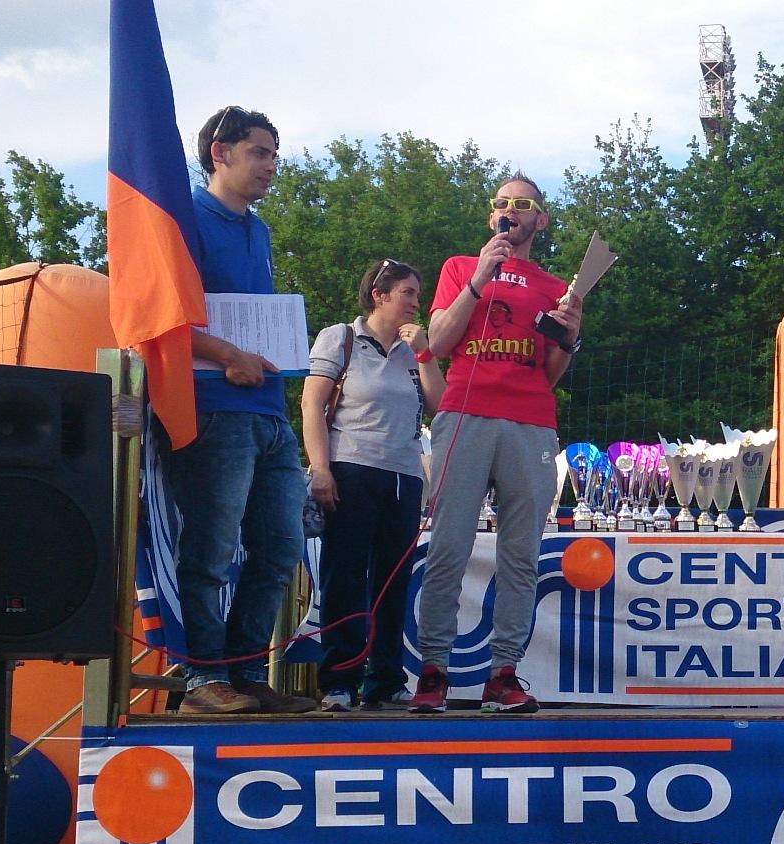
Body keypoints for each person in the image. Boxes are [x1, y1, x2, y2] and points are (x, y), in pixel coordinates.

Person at [158, 105, 314, 715]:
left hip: (269, 409)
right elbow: (159, 313)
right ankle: (201, 678)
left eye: (274, 154)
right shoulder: (183, 220)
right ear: (219, 153)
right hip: (214, 408)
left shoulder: (259, 229)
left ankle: (245, 672)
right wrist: (227, 353)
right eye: (260, 153)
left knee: (280, 546)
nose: (271, 166)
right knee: (212, 546)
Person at [409, 174, 584, 714]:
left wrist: (571, 335)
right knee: (449, 544)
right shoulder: (461, 267)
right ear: (492, 216)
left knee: (520, 554)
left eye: (522, 203)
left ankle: (503, 673)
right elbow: (437, 342)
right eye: (501, 202)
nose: (510, 210)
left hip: (529, 420)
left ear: (541, 219)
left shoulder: (556, 285)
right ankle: (433, 670)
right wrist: (480, 278)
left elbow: (549, 374)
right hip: (465, 411)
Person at [302, 260, 443, 711]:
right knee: (345, 573)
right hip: (352, 467)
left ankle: (385, 678)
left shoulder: (413, 350)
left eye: (417, 294)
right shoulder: (340, 337)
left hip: (403, 474)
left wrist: (424, 352)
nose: (415, 303)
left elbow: (440, 406)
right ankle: (339, 678)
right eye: (407, 292)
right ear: (379, 295)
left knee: (393, 578)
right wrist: (320, 467)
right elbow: (312, 403)